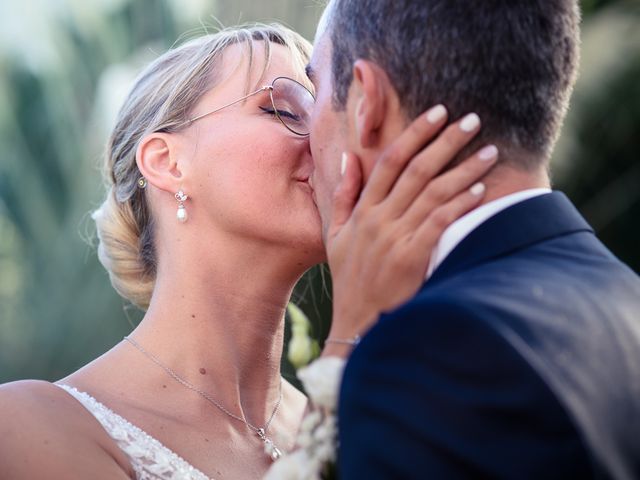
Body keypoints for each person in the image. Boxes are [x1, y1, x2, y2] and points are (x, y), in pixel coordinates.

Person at [0, 23, 494, 479]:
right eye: (282, 110)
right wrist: (357, 325)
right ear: (167, 163)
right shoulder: (33, 425)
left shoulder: (356, 417)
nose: (329, 145)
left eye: (330, 119)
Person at [307, 1, 640, 479]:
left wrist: (348, 340)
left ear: (366, 103)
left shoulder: (426, 353)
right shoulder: (626, 296)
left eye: (312, 87)